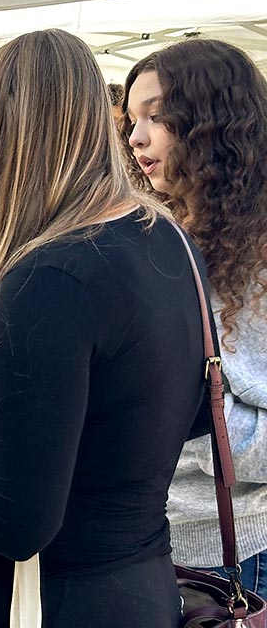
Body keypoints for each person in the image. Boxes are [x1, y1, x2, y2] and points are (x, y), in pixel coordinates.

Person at [0, 30, 213, 628]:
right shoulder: (170, 241)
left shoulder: (48, 277)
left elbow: (17, 524)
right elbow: (193, 411)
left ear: (18, 131)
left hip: (50, 599)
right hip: (143, 584)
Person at [123, 39, 267, 598]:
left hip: (233, 556)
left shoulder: (254, 256)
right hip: (147, 538)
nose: (136, 137)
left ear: (214, 122)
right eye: (132, 119)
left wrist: (184, 404)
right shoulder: (164, 234)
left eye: (156, 116)